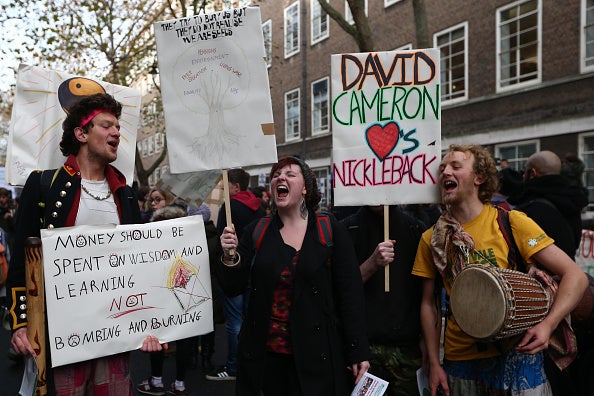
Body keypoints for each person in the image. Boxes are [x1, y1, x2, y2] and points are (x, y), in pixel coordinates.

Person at [6, 93, 164, 395]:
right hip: (63, 337)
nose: (117, 132)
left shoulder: (126, 194)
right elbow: (22, 263)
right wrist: (22, 322)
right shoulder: (43, 185)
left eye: (118, 127)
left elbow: (140, 265)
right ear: (81, 133)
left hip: (114, 335)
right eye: (107, 125)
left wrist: (152, 322)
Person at [412, 144, 588, 396]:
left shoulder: (510, 221)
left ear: (479, 177)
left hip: (516, 356)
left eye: (455, 166)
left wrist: (548, 325)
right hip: (461, 361)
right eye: (442, 169)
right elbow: (428, 304)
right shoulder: (433, 239)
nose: (445, 172)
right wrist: (432, 363)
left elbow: (576, 276)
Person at [218, 156, 370, 395]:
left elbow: (350, 295)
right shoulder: (256, 231)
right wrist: (229, 255)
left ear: (305, 187)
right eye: (276, 175)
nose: (281, 178)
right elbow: (232, 286)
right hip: (265, 361)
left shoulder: (328, 229)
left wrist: (358, 350)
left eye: (290, 174)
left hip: (317, 357)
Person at [511, 150, 591, 396]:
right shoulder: (573, 203)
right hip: (574, 300)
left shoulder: (528, 212)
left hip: (545, 308)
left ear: (531, 174)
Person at [341, 205, 425, 396]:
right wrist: (371, 264)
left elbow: (426, 295)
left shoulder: (416, 229)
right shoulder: (346, 229)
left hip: (407, 351)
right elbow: (340, 290)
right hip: (363, 354)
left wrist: (428, 345)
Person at [207, 168, 266, 381]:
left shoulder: (230, 207)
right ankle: (250, 362)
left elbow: (223, 242)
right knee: (250, 319)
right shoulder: (259, 207)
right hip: (253, 269)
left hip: (233, 270)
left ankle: (232, 367)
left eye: (226, 185)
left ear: (236, 186)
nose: (223, 189)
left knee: (234, 322)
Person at [137, 204, 193, 396]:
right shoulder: (189, 243)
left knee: (158, 336)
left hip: (165, 299)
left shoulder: (155, 245)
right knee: (176, 338)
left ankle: (158, 381)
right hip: (182, 298)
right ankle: (178, 384)